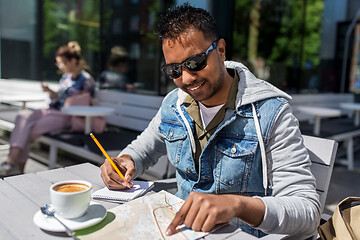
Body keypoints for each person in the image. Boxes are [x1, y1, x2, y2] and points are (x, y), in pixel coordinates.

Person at [100, 4, 320, 238]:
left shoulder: (271, 113)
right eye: (174, 70)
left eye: (195, 62)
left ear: (221, 50)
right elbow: (143, 148)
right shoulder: (174, 104)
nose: (186, 78)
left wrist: (238, 205)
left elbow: (307, 211)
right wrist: (124, 161)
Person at [0, 41, 95, 177]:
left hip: (67, 117)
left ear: (73, 61)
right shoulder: (66, 77)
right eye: (59, 64)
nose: (60, 67)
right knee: (23, 116)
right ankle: (14, 165)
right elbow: (61, 97)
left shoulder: (86, 80)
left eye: (62, 63)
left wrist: (62, 99)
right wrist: (51, 92)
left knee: (27, 129)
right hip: (51, 111)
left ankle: (14, 165)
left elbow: (83, 104)